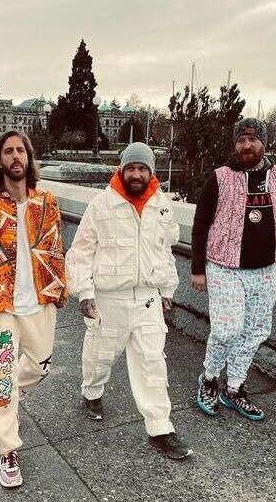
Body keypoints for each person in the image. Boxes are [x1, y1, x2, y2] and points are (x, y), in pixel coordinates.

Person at [66, 142, 193, 460]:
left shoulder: (162, 205)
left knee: (153, 363)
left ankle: (160, 428)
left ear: (151, 172)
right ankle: (92, 392)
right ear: (121, 169)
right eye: (131, 168)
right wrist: (85, 292)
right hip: (109, 298)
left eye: (142, 169)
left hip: (147, 300)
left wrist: (167, 290)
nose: (136, 174)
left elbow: (164, 252)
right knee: (100, 355)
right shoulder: (101, 205)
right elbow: (81, 251)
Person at [192, 117, 276, 421]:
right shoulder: (220, 178)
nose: (246, 145)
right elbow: (200, 224)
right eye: (241, 140)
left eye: (252, 139)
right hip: (224, 267)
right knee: (226, 329)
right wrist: (198, 268)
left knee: (254, 332)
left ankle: (234, 387)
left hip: (264, 270)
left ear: (264, 143)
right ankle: (209, 378)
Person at [0, 130, 67, 488]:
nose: (15, 156)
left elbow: (55, 249)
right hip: (1, 306)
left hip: (40, 302)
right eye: (8, 151)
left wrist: (59, 290)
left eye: (20, 150)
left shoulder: (47, 202)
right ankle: (8, 449)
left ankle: (6, 396)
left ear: (29, 157)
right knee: (1, 378)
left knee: (40, 366)